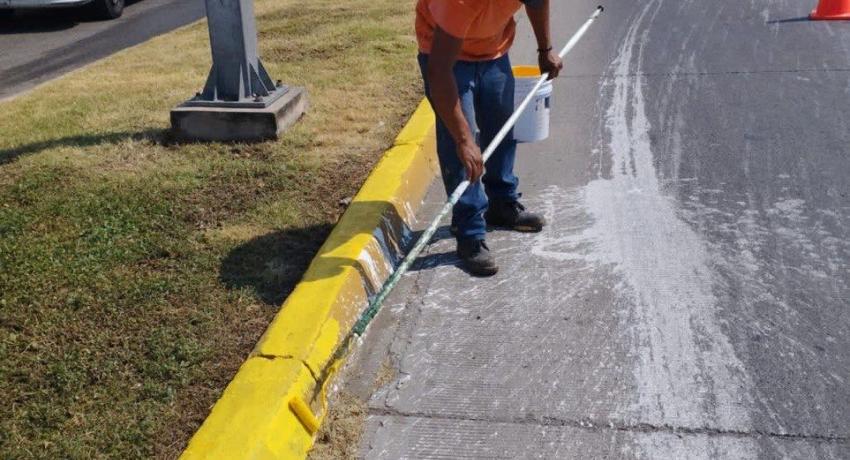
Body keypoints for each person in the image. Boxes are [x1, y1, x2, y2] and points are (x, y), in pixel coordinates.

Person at [416, 0, 562, 276]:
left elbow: (537, 1)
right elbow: (438, 71)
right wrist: (463, 140)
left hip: (493, 51)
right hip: (446, 58)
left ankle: (501, 203)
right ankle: (469, 231)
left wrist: (545, 50)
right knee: (461, 148)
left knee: (502, 129)